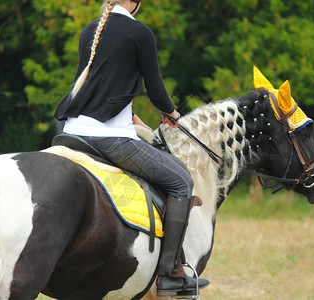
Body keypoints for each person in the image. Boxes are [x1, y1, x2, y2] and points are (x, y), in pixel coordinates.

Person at [54, 0, 209, 296]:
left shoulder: (90, 31)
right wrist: (171, 113)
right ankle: (170, 274)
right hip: (109, 137)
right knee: (181, 182)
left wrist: (131, 116)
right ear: (135, 2)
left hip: (72, 131)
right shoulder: (139, 32)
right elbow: (156, 88)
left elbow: (102, 86)